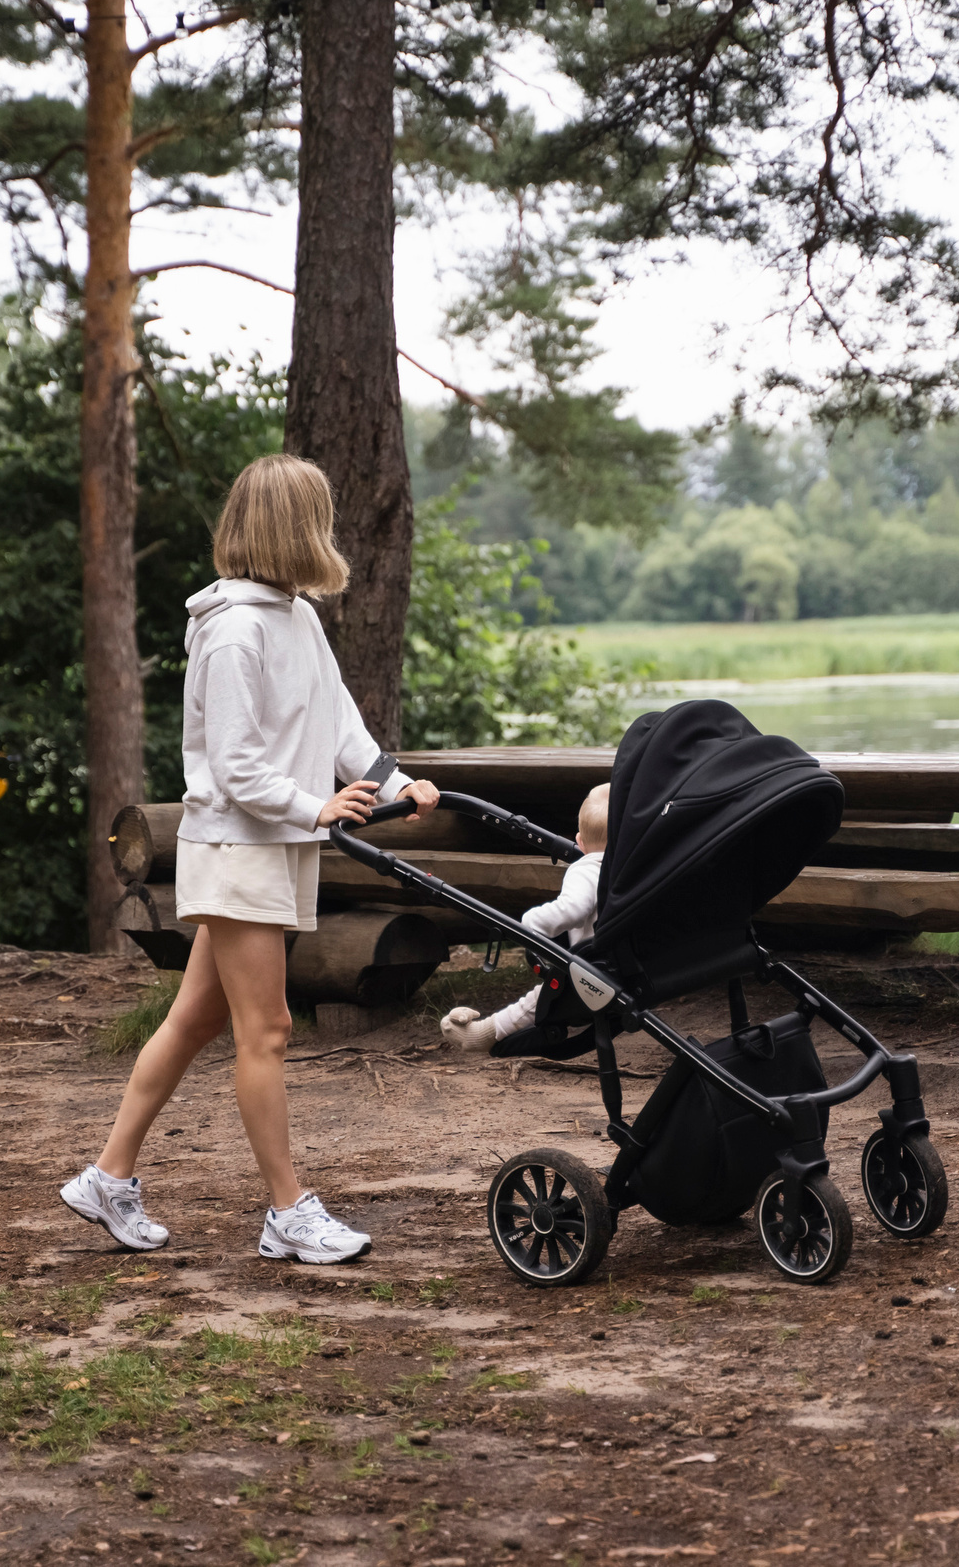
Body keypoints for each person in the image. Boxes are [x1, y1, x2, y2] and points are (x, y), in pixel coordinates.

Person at [60, 454, 438, 1264]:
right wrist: (316, 807)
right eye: (319, 516)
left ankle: (106, 1177)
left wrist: (397, 783)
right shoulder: (234, 629)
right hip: (238, 849)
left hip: (272, 848)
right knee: (266, 1028)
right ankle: (287, 1210)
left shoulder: (296, 617)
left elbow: (342, 730)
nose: (327, 532)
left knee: (194, 1019)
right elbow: (233, 766)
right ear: (292, 526)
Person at [439, 784, 608, 1050]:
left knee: (541, 998)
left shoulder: (586, 869)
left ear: (579, 842)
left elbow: (573, 909)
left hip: (596, 972)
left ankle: (483, 1034)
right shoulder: (635, 868)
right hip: (633, 960)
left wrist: (532, 922)